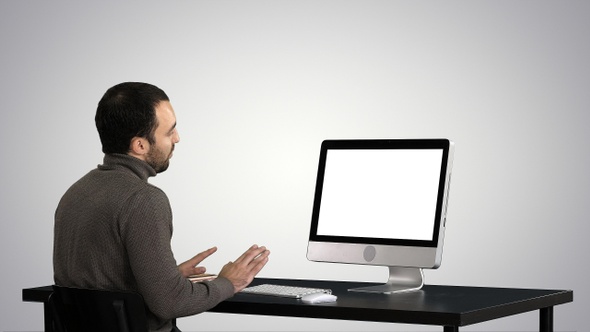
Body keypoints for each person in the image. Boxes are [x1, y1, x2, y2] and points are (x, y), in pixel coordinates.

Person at [53, 82, 270, 332]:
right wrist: (228, 283)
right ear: (140, 146)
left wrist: (165, 277)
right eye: (169, 132)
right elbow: (169, 304)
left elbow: (101, 290)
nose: (177, 138)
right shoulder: (143, 199)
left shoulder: (75, 192)